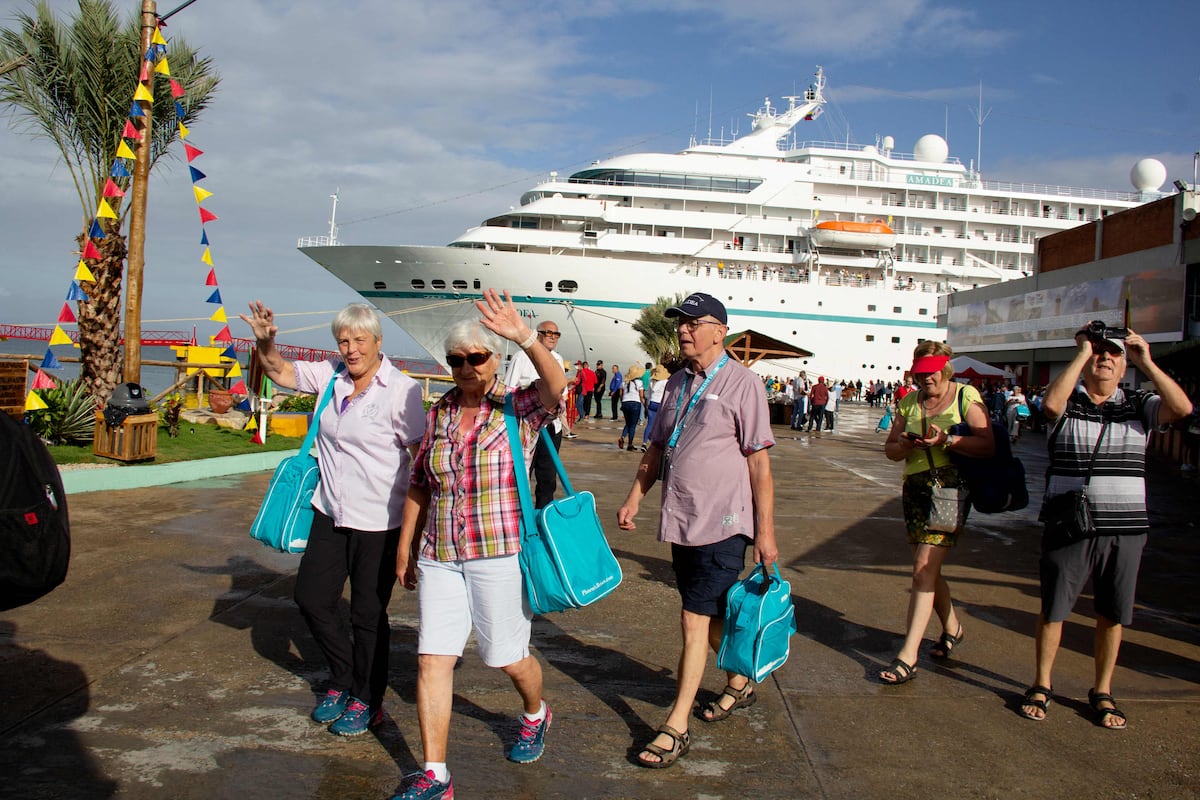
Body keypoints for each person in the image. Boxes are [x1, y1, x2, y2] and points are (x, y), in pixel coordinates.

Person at [393, 289, 566, 800]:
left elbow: (556, 385)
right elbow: (421, 483)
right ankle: (436, 775)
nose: (465, 367)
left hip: (499, 551)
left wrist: (527, 338)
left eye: (476, 357)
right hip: (441, 554)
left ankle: (535, 712)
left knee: (507, 658)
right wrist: (406, 547)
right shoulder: (441, 412)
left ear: (495, 360)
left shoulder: (518, 408)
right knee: (432, 659)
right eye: (456, 359)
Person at [240, 301, 426, 736]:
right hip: (330, 511)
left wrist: (415, 537)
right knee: (311, 598)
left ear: (378, 342)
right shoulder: (330, 377)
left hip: (380, 523)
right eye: (344, 340)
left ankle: (367, 698)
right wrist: (265, 339)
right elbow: (279, 372)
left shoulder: (403, 391)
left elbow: (420, 464)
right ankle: (343, 679)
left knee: (367, 615)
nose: (351, 348)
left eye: (359, 340)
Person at [617, 292, 777, 769]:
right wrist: (634, 496)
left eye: (693, 322)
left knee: (693, 618)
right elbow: (657, 447)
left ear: (719, 331)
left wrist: (765, 534)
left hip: (726, 522)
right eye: (681, 322)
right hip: (682, 520)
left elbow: (760, 466)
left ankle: (676, 726)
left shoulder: (744, 384)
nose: (683, 329)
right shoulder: (676, 384)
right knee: (709, 617)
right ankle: (740, 679)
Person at [1018, 327, 1191, 729]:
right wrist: (1082, 352)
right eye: (1100, 353)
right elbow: (1050, 405)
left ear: (1124, 364)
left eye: (1114, 354)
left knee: (1112, 613)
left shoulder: (1140, 403)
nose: (1105, 359)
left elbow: (1182, 410)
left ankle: (1102, 690)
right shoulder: (1069, 399)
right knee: (1055, 608)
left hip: (1126, 526)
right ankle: (1042, 684)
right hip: (1070, 523)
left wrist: (1146, 360)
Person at [879, 341, 994, 685]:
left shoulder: (966, 396)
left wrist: (947, 440)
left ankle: (908, 655)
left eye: (930, 372)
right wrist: (903, 444)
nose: (925, 379)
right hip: (915, 488)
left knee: (922, 568)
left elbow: (987, 444)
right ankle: (953, 628)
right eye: (919, 373)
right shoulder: (909, 401)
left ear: (945, 368)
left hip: (950, 488)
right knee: (928, 568)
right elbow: (890, 450)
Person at [505, 319, 569, 508]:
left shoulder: (557, 359)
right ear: (537, 334)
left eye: (556, 334)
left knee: (548, 476)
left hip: (551, 425)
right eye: (548, 333)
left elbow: (561, 391)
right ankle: (520, 517)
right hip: (527, 425)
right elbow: (509, 389)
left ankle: (543, 517)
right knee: (522, 475)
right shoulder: (521, 357)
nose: (553, 337)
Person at [641, 364, 669, 451]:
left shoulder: (651, 381)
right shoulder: (665, 381)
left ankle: (644, 443)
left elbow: (647, 395)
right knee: (660, 425)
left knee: (650, 424)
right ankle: (654, 444)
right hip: (661, 404)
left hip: (652, 403)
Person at [618, 364, 645, 452]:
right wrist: (645, 405)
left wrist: (622, 402)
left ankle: (622, 437)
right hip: (635, 403)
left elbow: (621, 394)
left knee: (628, 423)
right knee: (633, 425)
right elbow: (641, 396)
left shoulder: (624, 382)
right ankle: (630, 444)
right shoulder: (639, 383)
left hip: (625, 403)